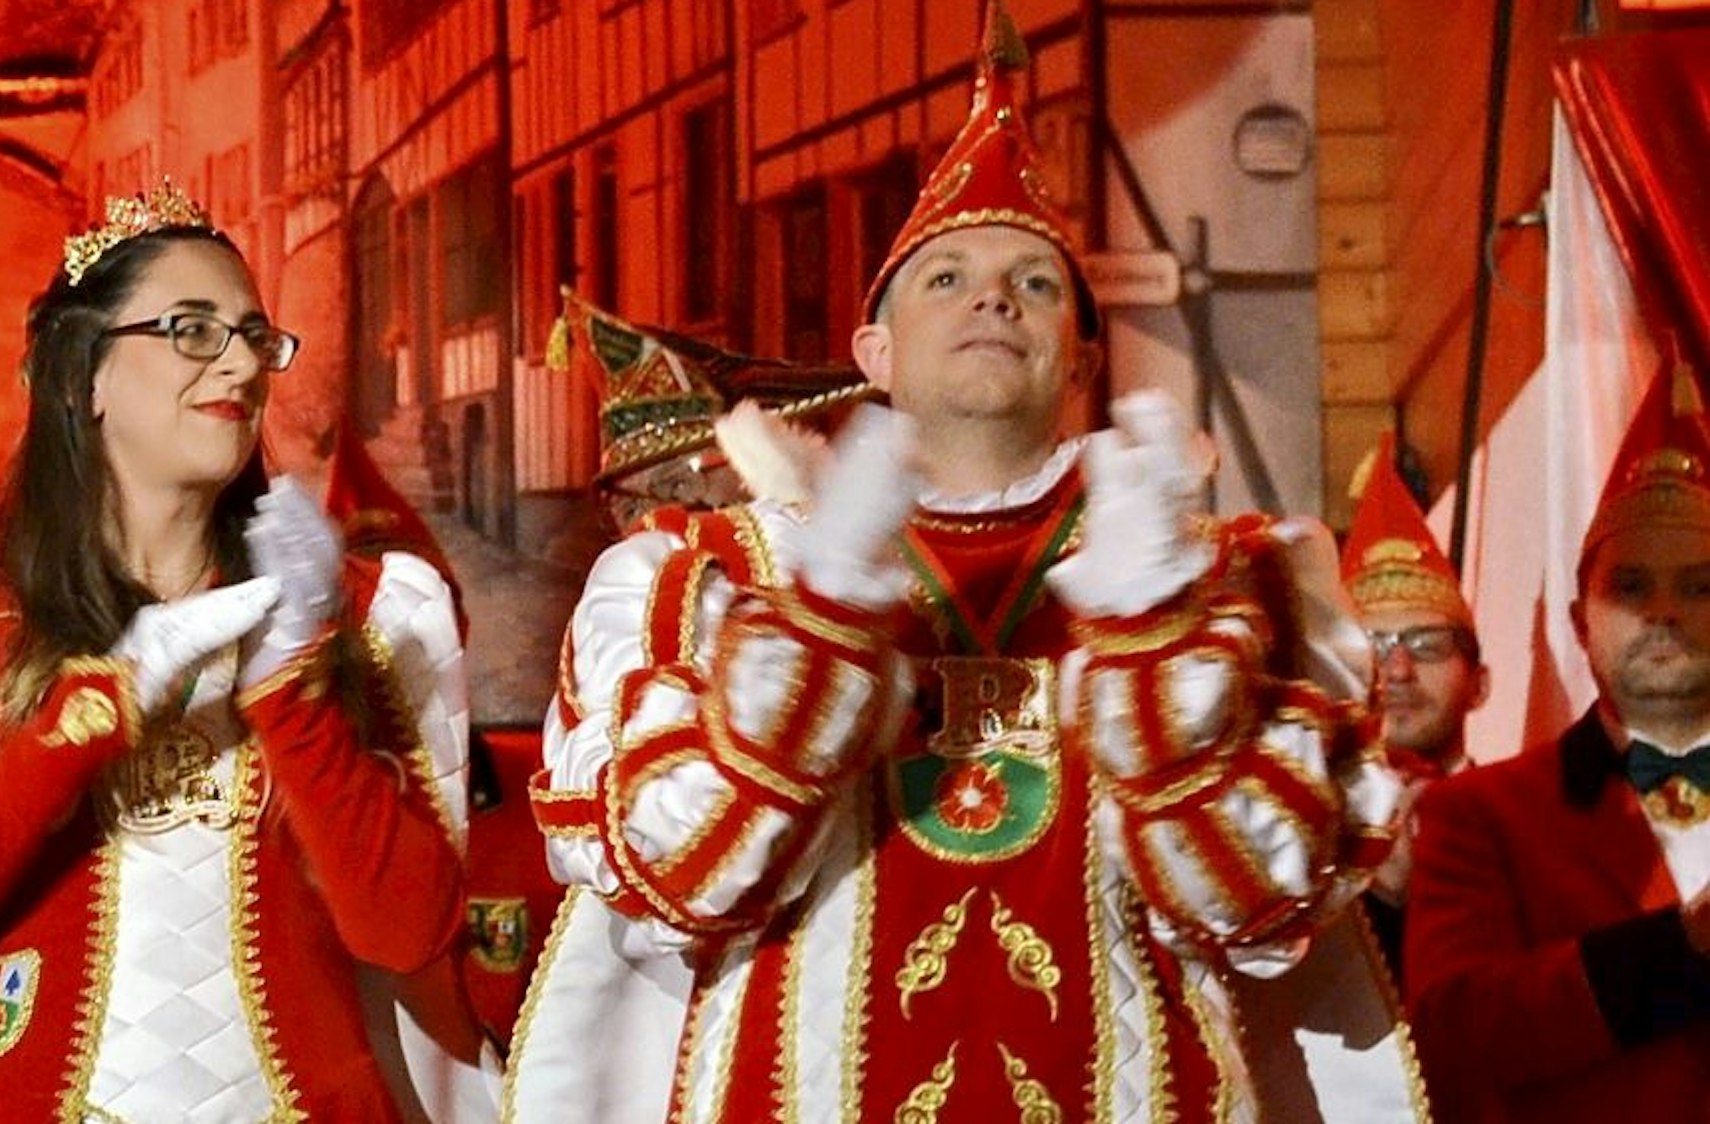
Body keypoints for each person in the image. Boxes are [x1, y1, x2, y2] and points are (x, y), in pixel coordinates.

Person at [504, 5, 1419, 1120]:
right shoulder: (704, 572)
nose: (993, 296)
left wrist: (1158, 639)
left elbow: (1263, 910)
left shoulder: (1228, 579)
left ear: (1083, 358)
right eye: (945, 278)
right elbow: (676, 887)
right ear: (874, 351)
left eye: (1037, 284)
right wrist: (816, 620)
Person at [0, 182, 473, 1121]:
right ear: (86, 378)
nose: (239, 363)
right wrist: (90, 716)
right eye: (193, 330)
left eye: (255, 336)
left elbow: (409, 931)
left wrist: (288, 689)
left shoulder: (356, 616)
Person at [1407, 362, 1710, 1121]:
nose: (1663, 612)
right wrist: (1679, 952)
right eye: (1630, 587)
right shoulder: (1478, 812)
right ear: (1579, 622)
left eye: (1701, 586)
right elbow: (1452, 1034)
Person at [1341, 433, 1489, 973]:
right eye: (1374, 648)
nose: (1399, 669)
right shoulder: (1301, 847)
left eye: (1427, 645)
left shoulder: (1530, 827)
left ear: (1479, 684)